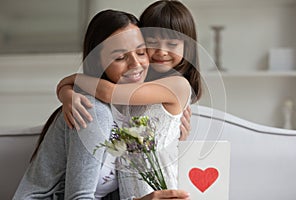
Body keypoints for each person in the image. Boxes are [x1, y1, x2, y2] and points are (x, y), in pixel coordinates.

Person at [13, 9, 190, 200]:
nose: (135, 64)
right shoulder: (93, 111)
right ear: (99, 63)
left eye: (141, 52)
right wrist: (68, 85)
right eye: (120, 57)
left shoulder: (130, 112)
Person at [56, 0, 201, 199]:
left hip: (161, 189)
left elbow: (108, 92)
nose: (162, 52)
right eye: (151, 44)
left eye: (173, 44)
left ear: (188, 48)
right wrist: (67, 94)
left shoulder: (177, 84)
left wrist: (71, 80)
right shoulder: (134, 88)